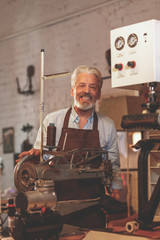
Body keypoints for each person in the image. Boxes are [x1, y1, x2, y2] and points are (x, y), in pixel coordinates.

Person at [18, 65, 122, 228]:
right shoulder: (53, 121)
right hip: (56, 206)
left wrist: (115, 188)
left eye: (92, 87)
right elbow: (39, 161)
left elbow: (113, 163)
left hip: (93, 207)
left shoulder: (106, 125)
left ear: (98, 94)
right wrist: (35, 155)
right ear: (72, 90)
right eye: (81, 85)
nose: (86, 91)